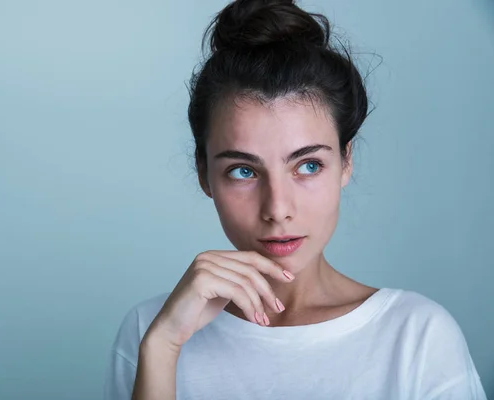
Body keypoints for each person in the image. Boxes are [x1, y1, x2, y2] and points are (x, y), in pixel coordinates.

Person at [103, 0, 487, 399]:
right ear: (204, 174)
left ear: (346, 161)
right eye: (244, 171)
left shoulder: (416, 338)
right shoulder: (152, 330)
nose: (278, 209)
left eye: (308, 166)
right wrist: (163, 347)